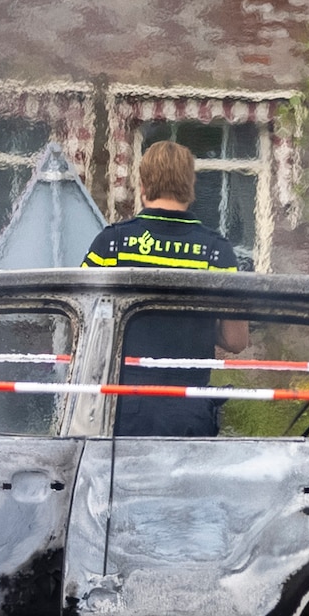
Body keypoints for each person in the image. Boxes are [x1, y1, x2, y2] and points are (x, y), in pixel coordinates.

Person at [82, 137, 248, 437]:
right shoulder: (216, 252)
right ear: (191, 186)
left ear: (143, 185)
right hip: (189, 406)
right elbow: (236, 340)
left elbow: (84, 325)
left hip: (120, 405)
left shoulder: (111, 244)